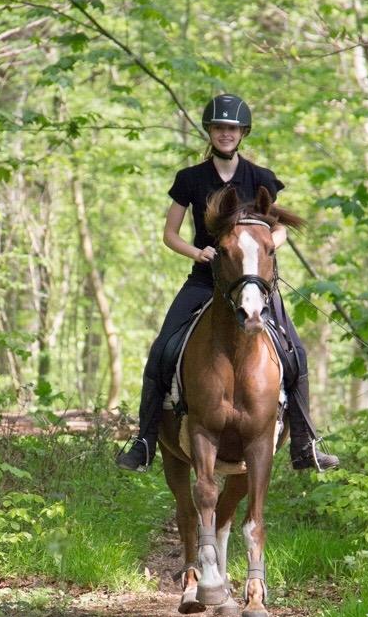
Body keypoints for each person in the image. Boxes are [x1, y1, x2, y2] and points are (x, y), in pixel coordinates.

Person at [116, 93, 339, 474]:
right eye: (219, 127)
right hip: (206, 281)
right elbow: (170, 234)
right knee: (162, 350)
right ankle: (145, 441)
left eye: (232, 128)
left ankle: (305, 443)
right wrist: (196, 252)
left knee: (296, 352)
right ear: (210, 131)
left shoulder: (260, 178)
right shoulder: (190, 179)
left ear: (242, 133)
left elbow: (279, 228)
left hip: (254, 283)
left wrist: (268, 247)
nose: (225, 134)